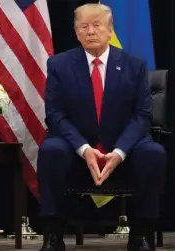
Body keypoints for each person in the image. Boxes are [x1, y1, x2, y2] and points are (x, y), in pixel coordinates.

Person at [37, 3, 166, 251]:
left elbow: (142, 116)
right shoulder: (59, 65)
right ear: (76, 33)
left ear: (110, 30)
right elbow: (55, 115)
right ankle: (53, 235)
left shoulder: (135, 66)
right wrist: (84, 149)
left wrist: (118, 153)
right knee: (50, 150)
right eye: (83, 26)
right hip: (76, 150)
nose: (90, 31)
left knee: (153, 154)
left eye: (97, 25)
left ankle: (141, 234)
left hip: (124, 150)